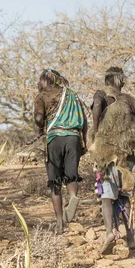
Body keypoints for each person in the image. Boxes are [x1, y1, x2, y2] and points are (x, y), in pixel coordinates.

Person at [90, 67, 135, 254]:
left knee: (106, 195)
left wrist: (97, 130)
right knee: (124, 196)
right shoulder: (132, 101)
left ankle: (109, 233)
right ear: (121, 82)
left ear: (108, 81)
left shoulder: (101, 95)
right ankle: (130, 238)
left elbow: (97, 105)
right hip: (129, 156)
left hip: (106, 157)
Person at [34, 69, 88, 234]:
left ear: (46, 80)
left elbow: (38, 119)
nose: (38, 84)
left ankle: (59, 223)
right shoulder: (72, 94)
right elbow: (84, 120)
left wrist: (40, 126)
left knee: (54, 181)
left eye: (40, 80)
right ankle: (73, 197)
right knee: (71, 174)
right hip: (73, 138)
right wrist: (84, 141)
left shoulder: (42, 96)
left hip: (54, 138)